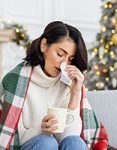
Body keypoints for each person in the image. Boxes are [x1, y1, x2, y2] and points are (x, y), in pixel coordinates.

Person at [0, 21, 108, 150]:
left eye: (70, 59)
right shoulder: (15, 81)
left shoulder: (68, 83)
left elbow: (69, 136)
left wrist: (75, 94)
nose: (64, 63)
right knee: (46, 142)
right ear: (44, 46)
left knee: (75, 142)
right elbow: (10, 137)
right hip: (29, 146)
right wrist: (41, 129)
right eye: (60, 54)